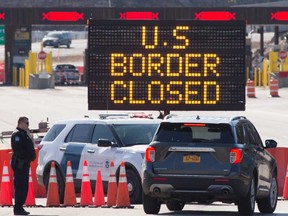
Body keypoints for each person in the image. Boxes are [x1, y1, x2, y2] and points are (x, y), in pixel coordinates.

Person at [10, 117, 36, 215]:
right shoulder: (17, 134)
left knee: (24, 186)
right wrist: (27, 157)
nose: (28, 125)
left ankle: (20, 207)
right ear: (20, 123)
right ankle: (18, 208)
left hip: (24, 164)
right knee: (20, 186)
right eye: (26, 123)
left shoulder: (24, 133)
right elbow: (18, 150)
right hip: (20, 164)